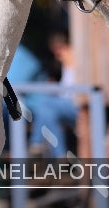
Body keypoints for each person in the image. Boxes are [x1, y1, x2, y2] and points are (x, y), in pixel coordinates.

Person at [28, 31, 79, 159]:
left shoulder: (77, 61)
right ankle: (59, 154)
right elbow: (66, 91)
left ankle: (37, 142)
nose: (57, 56)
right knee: (48, 112)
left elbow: (72, 92)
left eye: (58, 51)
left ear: (64, 47)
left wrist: (55, 89)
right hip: (69, 104)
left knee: (44, 103)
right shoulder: (67, 64)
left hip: (78, 104)